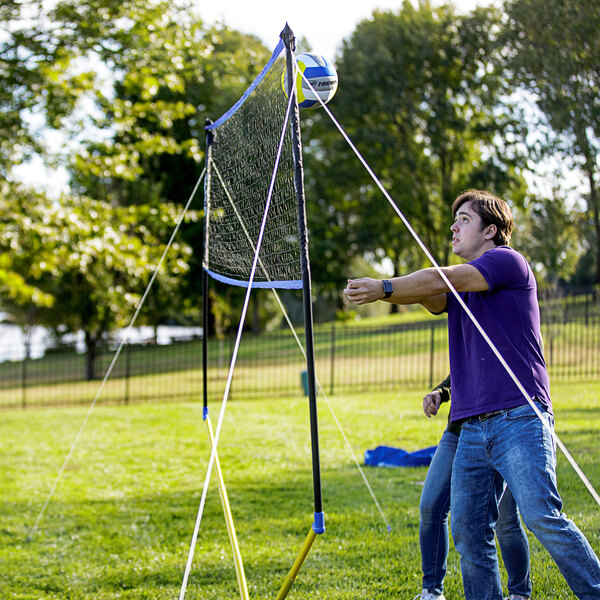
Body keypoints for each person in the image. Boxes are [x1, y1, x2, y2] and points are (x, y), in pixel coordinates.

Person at [344, 190, 600, 600]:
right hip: (471, 427)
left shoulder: (506, 262)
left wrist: (384, 285)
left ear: (491, 231)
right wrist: (394, 291)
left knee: (540, 517)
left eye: (464, 219)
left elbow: (435, 280)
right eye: (455, 219)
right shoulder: (461, 285)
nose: (453, 226)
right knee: (467, 531)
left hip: (519, 416)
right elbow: (429, 293)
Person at [417, 375, 530, 600]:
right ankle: (432, 591)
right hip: (459, 429)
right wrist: (440, 393)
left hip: (503, 427)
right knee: (430, 507)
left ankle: (519, 593)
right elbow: (462, 368)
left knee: (505, 519)